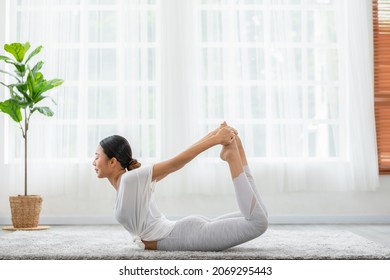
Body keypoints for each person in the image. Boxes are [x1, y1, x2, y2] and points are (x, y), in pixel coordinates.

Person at [93, 122, 268, 251]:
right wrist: (213, 135)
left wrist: (215, 139)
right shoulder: (131, 184)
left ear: (113, 161)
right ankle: (238, 149)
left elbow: (175, 163)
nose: (93, 162)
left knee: (257, 222)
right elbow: (174, 166)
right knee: (259, 214)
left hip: (183, 236)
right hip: (183, 232)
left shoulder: (129, 180)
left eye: (97, 156)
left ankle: (232, 157)